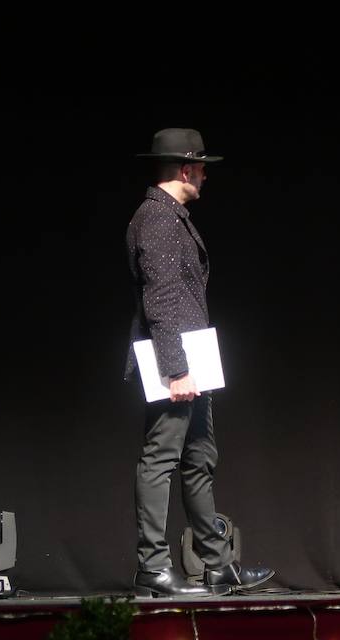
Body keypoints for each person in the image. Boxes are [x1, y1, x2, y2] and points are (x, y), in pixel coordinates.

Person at [126, 128, 274, 597]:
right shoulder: (157, 219)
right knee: (162, 458)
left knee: (199, 460)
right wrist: (177, 368)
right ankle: (152, 565)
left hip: (192, 357)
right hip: (178, 361)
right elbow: (163, 297)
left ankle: (216, 565)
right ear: (186, 169)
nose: (207, 175)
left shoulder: (172, 217)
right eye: (203, 167)